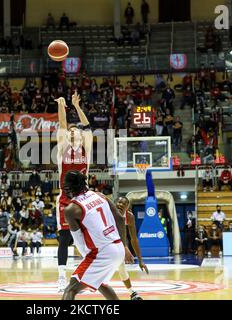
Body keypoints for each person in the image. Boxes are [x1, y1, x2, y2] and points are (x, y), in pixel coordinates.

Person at [61, 171, 133, 300]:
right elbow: (120, 219)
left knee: (70, 289)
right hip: (118, 248)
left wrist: (88, 258)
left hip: (101, 253)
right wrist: (124, 247)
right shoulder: (99, 195)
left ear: (69, 188)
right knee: (101, 284)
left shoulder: (71, 209)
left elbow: (79, 240)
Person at [55, 91, 93, 291]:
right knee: (64, 237)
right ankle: (61, 277)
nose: (72, 131)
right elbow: (62, 126)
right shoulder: (63, 148)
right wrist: (61, 105)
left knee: (86, 238)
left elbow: (87, 126)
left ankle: (86, 275)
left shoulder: (86, 147)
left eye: (75, 130)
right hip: (65, 199)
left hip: (85, 198)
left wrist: (76, 107)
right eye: (70, 130)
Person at [115, 196, 149, 300]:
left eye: (124, 204)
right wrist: (124, 247)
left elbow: (134, 239)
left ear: (127, 207)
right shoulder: (109, 211)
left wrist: (140, 260)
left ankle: (132, 293)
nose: (121, 204)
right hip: (101, 239)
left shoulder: (129, 217)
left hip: (115, 242)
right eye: (119, 202)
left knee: (121, 266)